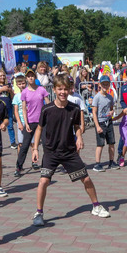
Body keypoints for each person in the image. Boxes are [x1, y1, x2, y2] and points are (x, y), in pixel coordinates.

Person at [30, 74, 110, 227]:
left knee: (86, 178)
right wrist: (35, 148)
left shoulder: (73, 109)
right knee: (43, 181)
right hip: (51, 152)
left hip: (69, 152)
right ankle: (39, 212)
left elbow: (76, 127)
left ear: (70, 90)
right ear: (54, 90)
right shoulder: (47, 109)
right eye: (60, 89)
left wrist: (79, 137)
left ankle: (96, 206)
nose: (63, 92)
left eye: (65, 89)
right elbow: (39, 129)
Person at [15, 70, 49, 177]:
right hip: (30, 121)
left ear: (35, 77)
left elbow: (48, 103)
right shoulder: (25, 92)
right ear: (26, 78)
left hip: (42, 121)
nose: (30, 78)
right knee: (24, 145)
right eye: (28, 76)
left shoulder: (41, 89)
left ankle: (46, 166)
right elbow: (24, 109)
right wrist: (26, 123)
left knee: (46, 144)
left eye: (32, 76)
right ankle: (19, 167)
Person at [91, 75, 117, 172]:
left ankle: (111, 161)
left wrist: (112, 112)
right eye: (103, 84)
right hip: (100, 123)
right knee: (100, 144)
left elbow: (111, 109)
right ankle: (97, 164)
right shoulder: (97, 97)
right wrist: (97, 126)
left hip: (108, 122)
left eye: (107, 84)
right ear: (100, 85)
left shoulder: (110, 97)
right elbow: (94, 112)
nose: (105, 86)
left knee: (111, 143)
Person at [0, 69, 16, 149]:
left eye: (3, 76)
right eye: (1, 76)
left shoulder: (8, 84)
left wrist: (10, 91)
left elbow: (12, 96)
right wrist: (1, 89)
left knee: (10, 126)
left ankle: (13, 142)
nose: (3, 77)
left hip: (8, 107)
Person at [11, 73, 27, 154]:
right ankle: (19, 162)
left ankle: (34, 162)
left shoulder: (29, 94)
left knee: (33, 142)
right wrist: (19, 123)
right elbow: (16, 111)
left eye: (23, 83)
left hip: (30, 121)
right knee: (21, 142)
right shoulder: (17, 96)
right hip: (21, 121)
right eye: (19, 84)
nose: (22, 86)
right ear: (17, 85)